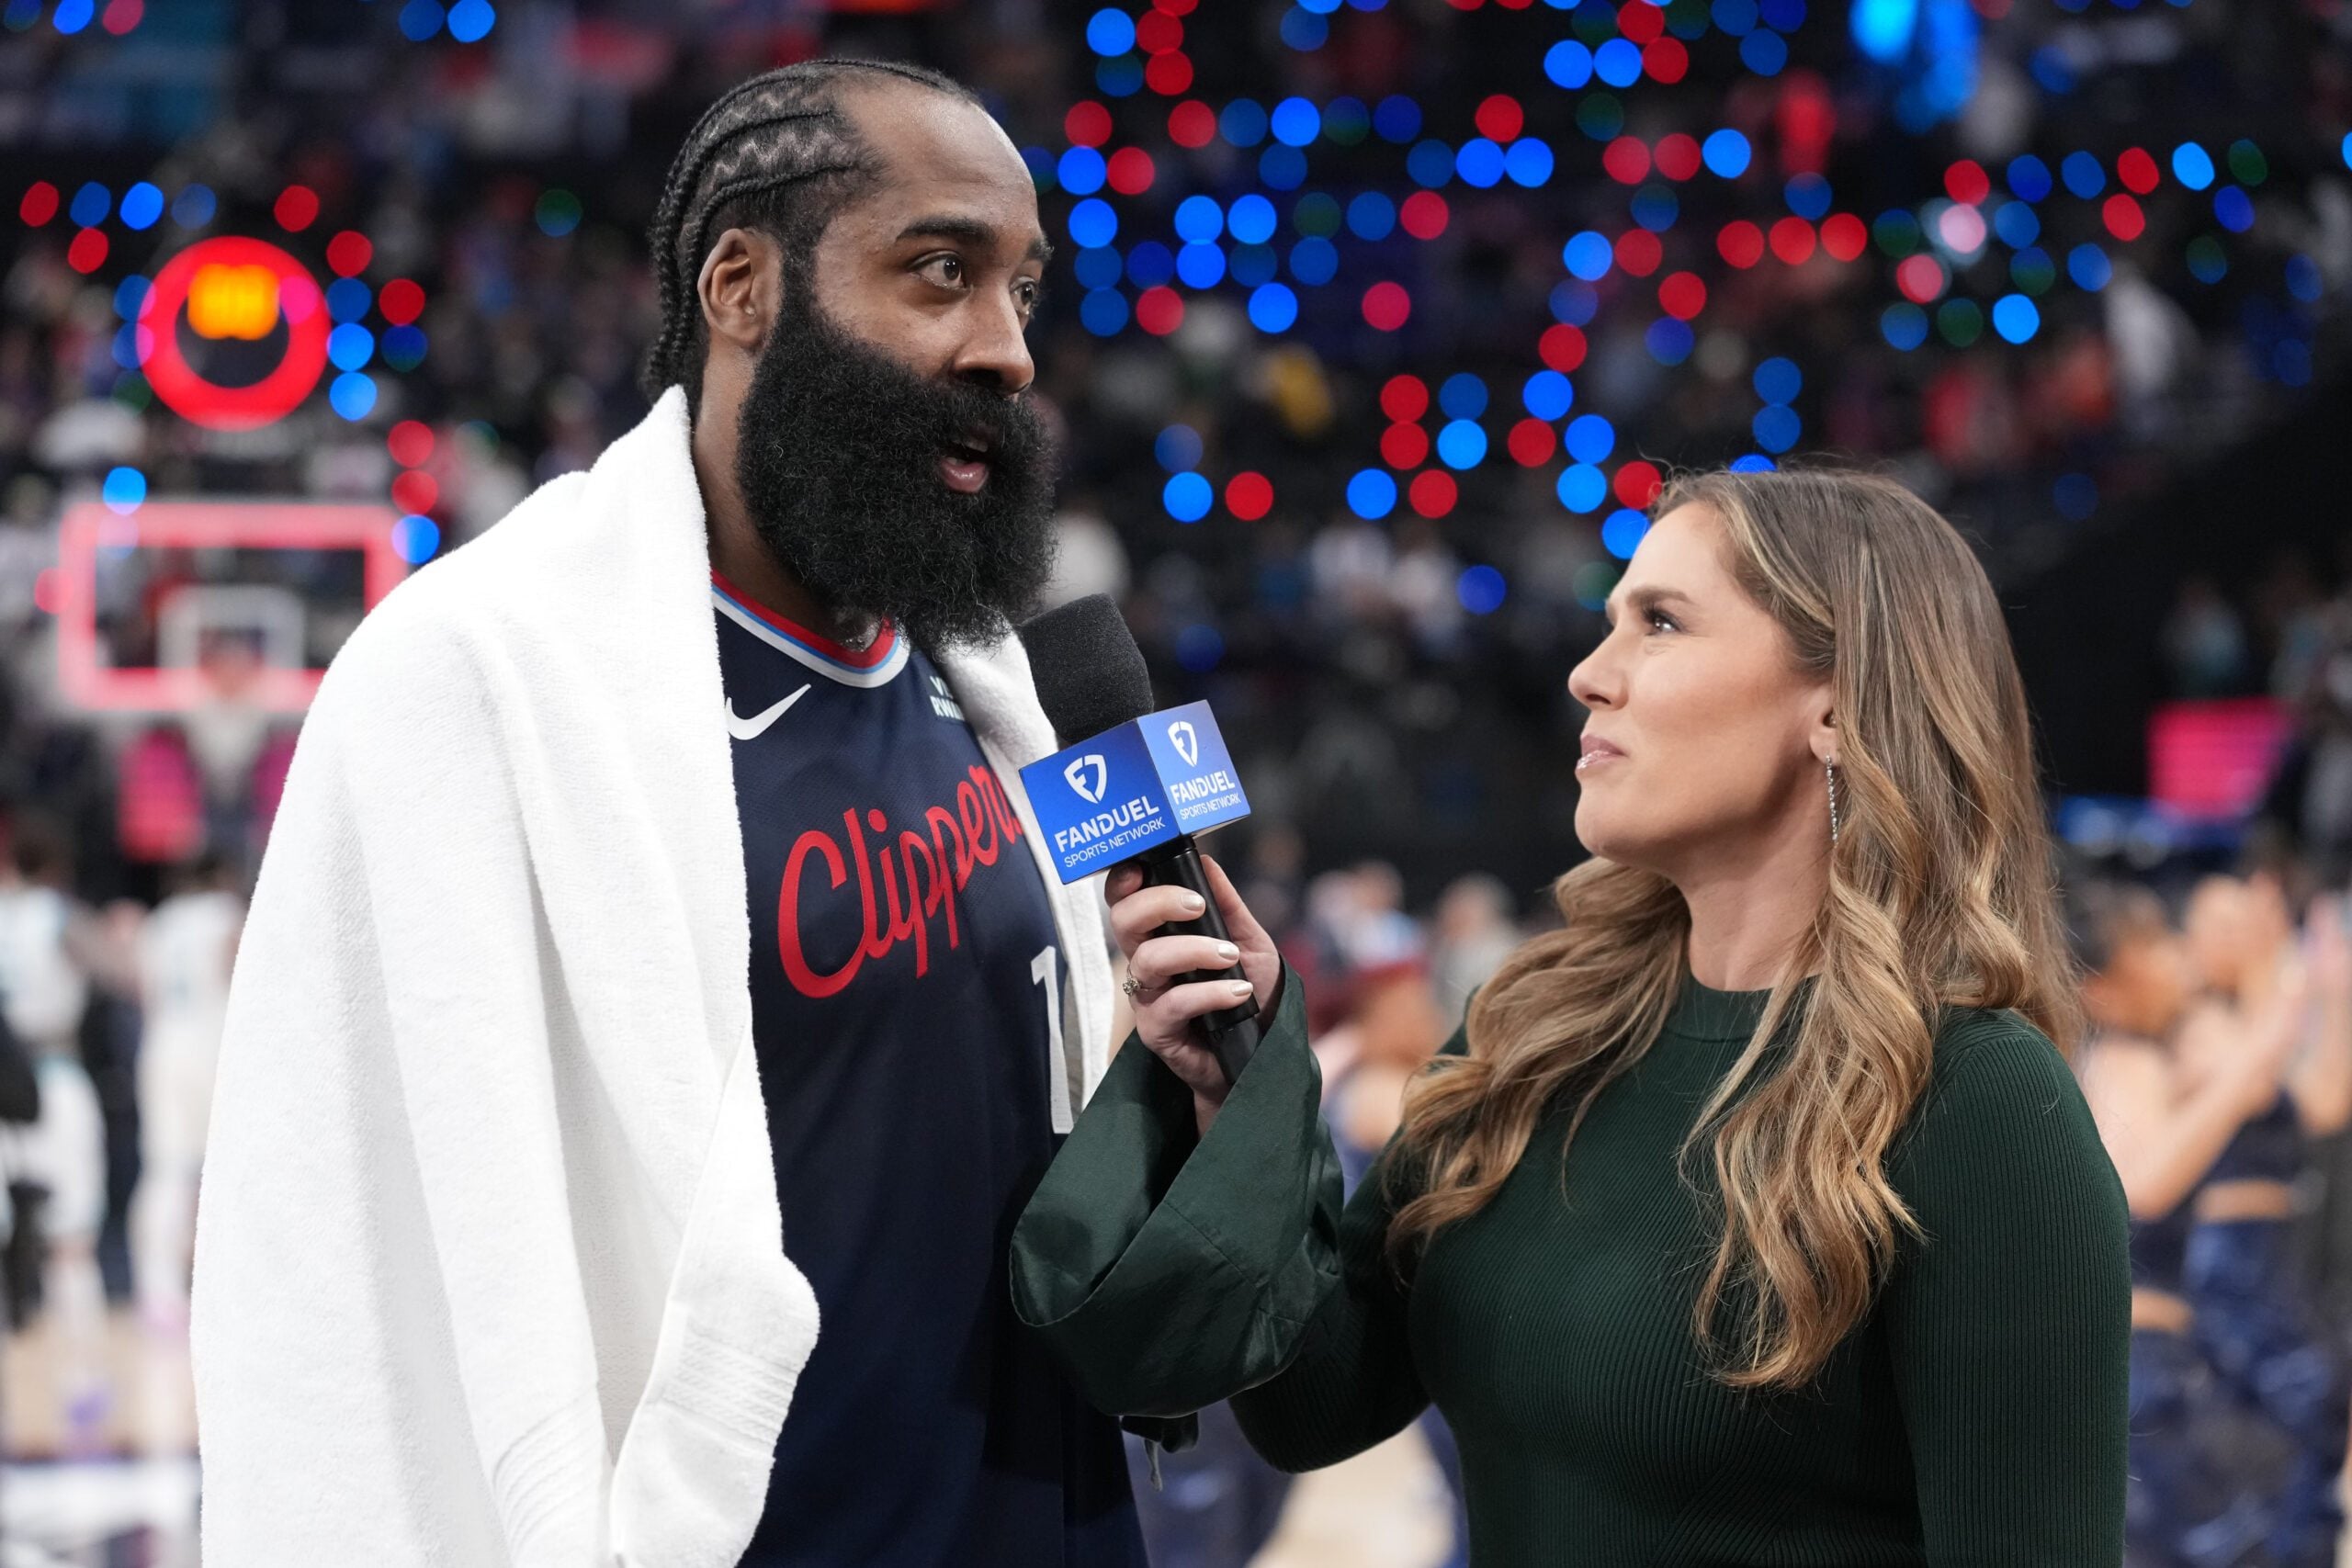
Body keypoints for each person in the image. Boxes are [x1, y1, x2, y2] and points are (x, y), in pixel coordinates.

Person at [193, 60, 1134, 1565]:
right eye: (940, 272)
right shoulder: (480, 677)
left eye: (1022, 290)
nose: (1007, 348)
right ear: (744, 288)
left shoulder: (998, 688)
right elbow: (334, 1260)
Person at [1018, 466, 2132, 1564]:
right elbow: (1312, 1407)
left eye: (1660, 623)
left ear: (1836, 705)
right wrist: (1235, 1088)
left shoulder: (1978, 1101)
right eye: (1610, 622)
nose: (1590, 676)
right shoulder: (1535, 1030)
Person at [2071, 879, 2297, 1565]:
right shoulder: (2122, 1060)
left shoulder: (2151, 1054)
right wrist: (2256, 1052)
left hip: (2158, 1363)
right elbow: (2140, 1188)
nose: (2178, 960)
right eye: (2154, 949)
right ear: (2104, 988)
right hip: (2141, 1369)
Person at [2178, 874, 2352, 1566]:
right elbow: (2256, 1083)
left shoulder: (2265, 1014)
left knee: (2305, 1434)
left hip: (2284, 1255)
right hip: (2221, 1262)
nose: (2238, 931)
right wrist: (2284, 982)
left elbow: (2324, 1101)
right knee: (2246, 1446)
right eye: (2219, 921)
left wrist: (2333, 990)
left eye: (2244, 918)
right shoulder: (2193, 1024)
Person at [129, 852, 241, 1336]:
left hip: (161, 1047)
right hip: (211, 1046)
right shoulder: (226, 913)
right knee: (228, 1167)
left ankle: (158, 1293)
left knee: (165, 1171)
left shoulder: (157, 924)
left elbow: (143, 993)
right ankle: (231, 1286)